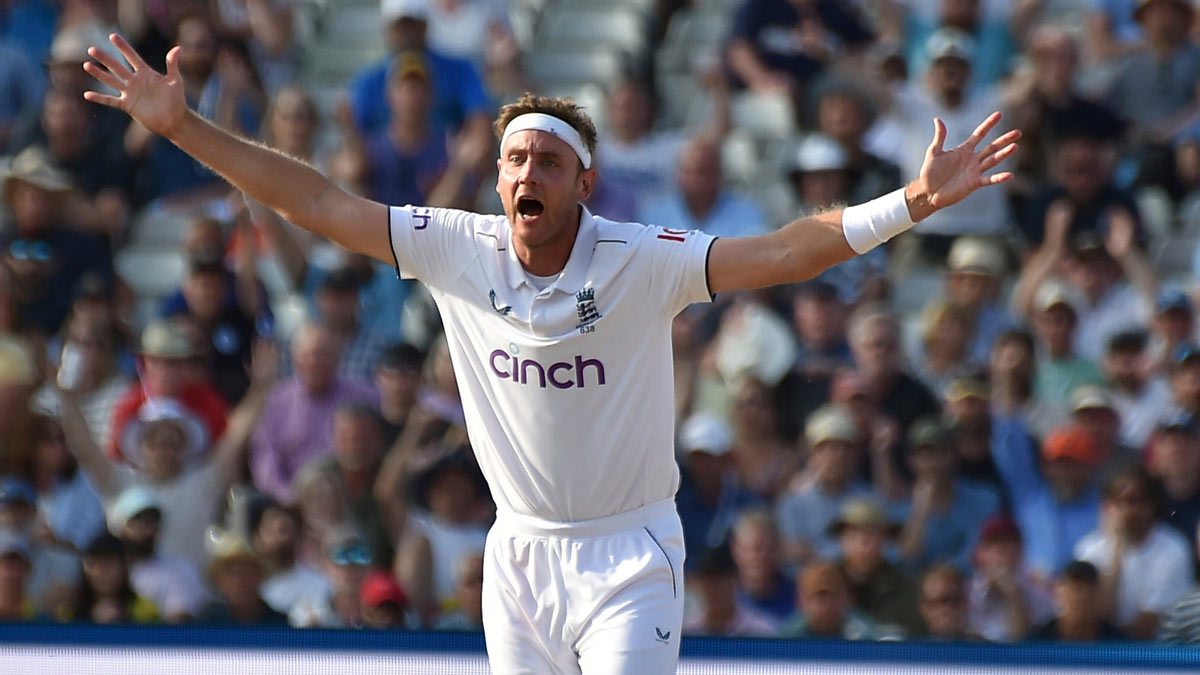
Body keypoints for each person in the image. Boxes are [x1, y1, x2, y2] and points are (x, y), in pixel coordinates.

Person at [82, 34, 1018, 671]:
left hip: (631, 551)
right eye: (515, 160)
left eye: (548, 161)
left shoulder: (643, 258)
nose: (528, 172)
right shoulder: (456, 243)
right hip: (520, 552)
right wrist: (181, 126)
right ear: (498, 178)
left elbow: (782, 253)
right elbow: (318, 203)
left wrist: (913, 202)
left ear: (584, 182)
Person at [1074, 465, 1193, 639]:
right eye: (1118, 501)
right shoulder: (1088, 549)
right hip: (1099, 651)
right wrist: (1118, 550)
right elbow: (1093, 618)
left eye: (1134, 501)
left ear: (1152, 505)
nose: (1127, 510)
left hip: (1157, 651)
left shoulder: (1174, 549)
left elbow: (1149, 627)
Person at [682, 543, 779, 637]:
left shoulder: (761, 633)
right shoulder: (686, 633)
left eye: (719, 582)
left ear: (734, 580)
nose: (714, 590)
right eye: (708, 582)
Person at [778, 560, 880, 640]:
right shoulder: (789, 638)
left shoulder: (865, 635)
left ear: (846, 599)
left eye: (832, 597)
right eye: (818, 598)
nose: (826, 605)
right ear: (801, 601)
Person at [1029, 560, 1125, 641]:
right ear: (1060, 592)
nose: (1082, 597)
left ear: (1100, 594)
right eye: (1076, 589)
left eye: (1090, 590)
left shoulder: (1119, 646)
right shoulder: (1038, 643)